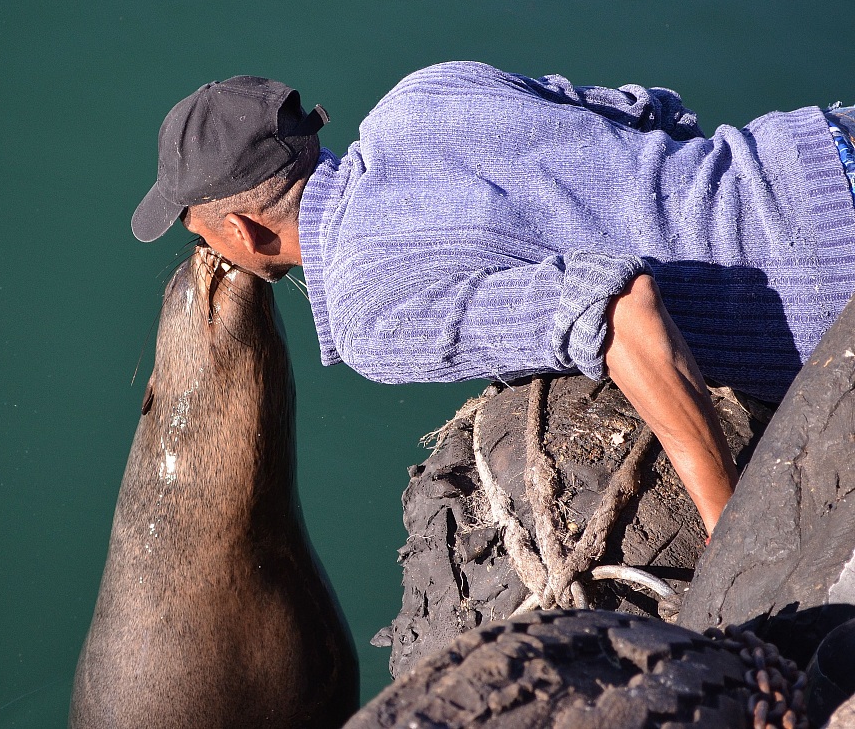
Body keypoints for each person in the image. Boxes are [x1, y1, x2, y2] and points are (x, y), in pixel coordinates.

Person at [130, 64, 855, 536]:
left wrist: (730, 538)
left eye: (197, 232)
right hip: (820, 140)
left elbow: (621, 311)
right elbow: (652, 111)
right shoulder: (422, 92)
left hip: (831, 282)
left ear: (242, 230)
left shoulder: (366, 314)